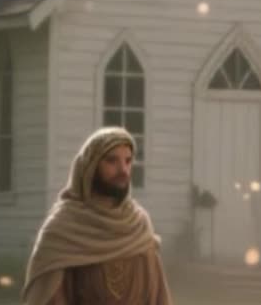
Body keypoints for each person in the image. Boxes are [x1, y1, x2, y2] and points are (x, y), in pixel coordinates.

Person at [22, 127, 172, 304]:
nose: (123, 170)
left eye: (128, 161)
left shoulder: (138, 224)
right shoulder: (63, 228)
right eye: (112, 161)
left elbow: (158, 296)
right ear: (90, 167)